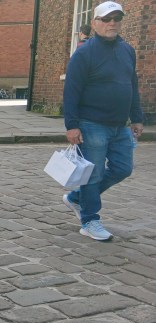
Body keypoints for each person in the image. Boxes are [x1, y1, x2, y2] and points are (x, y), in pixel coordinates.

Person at [62, 1, 144, 241]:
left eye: (116, 19)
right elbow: (72, 90)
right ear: (95, 22)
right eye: (107, 19)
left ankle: (77, 198)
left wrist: (137, 117)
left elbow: (133, 86)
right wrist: (72, 125)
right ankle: (89, 220)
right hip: (92, 123)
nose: (112, 23)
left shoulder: (127, 50)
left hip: (120, 125)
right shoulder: (85, 53)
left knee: (122, 169)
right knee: (93, 174)